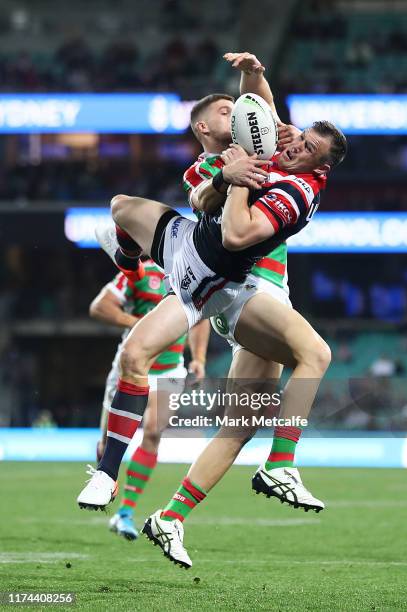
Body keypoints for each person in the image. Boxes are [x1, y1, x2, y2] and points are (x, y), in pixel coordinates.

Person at [77, 53, 347, 568]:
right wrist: (227, 177)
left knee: (241, 421)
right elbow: (206, 202)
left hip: (253, 289)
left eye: (303, 143)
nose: (288, 138)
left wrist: (256, 73)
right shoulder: (215, 164)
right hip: (235, 285)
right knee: (309, 353)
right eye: (225, 111)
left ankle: (170, 518)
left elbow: (258, 105)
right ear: (206, 127)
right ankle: (278, 466)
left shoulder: (280, 152)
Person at [85, 260, 210, 541]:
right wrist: (139, 324)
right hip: (130, 366)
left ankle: (126, 512)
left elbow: (201, 318)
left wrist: (199, 358)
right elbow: (99, 307)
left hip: (170, 369)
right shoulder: (140, 273)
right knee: (107, 445)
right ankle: (107, 481)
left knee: (153, 432)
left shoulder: (194, 274)